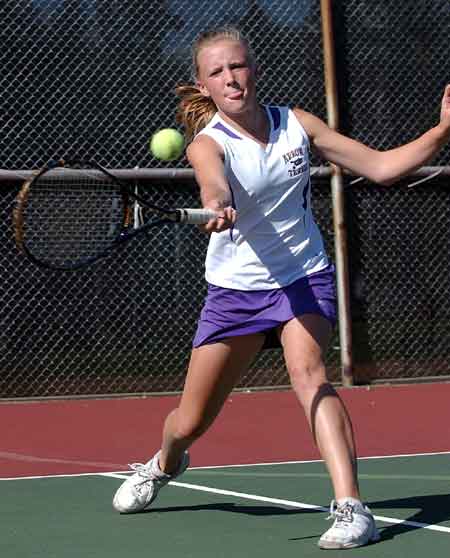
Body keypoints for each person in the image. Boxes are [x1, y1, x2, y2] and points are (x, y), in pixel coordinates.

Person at [112, 26, 450, 549]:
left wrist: (442, 131)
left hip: (302, 277)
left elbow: (382, 167)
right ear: (203, 85)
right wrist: (218, 200)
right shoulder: (209, 144)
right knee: (190, 420)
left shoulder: (298, 124)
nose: (231, 78)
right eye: (218, 72)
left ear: (255, 69)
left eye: (238, 66)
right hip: (235, 293)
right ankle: (164, 462)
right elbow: (212, 180)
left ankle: (352, 508)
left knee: (310, 373)